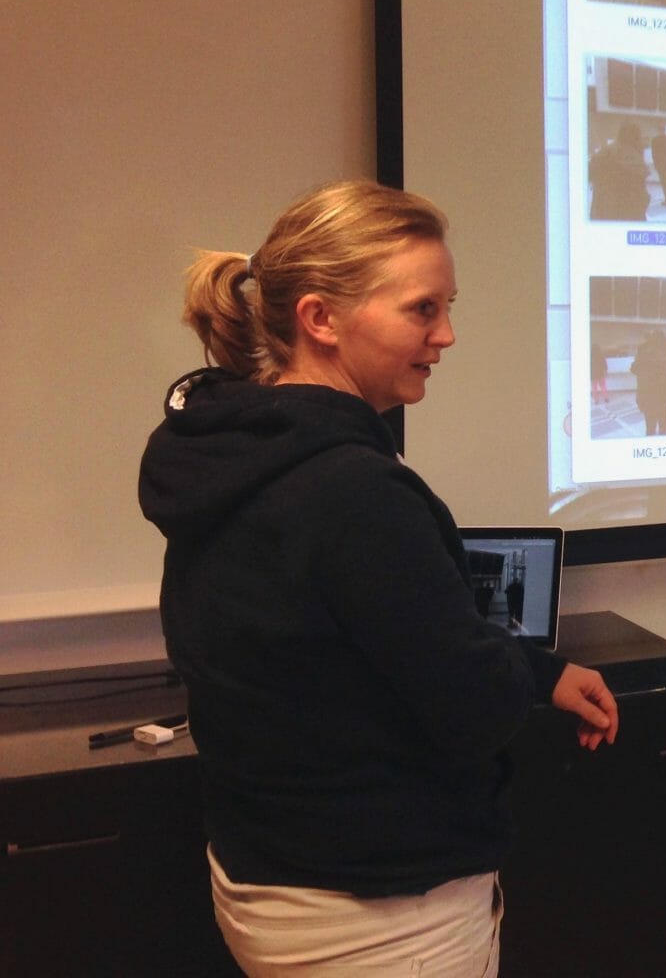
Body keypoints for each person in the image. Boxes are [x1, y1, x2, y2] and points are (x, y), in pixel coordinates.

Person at [137, 180, 619, 976]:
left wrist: (543, 670)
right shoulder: (354, 492)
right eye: (423, 310)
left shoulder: (234, 457)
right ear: (320, 318)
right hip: (383, 921)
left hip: (270, 882)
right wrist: (509, 672)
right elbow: (473, 707)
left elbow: (353, 646)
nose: (448, 335)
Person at [589, 122, 650, 221]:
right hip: (628, 210)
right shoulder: (633, 155)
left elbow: (590, 174)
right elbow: (640, 188)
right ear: (635, 136)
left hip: (602, 208)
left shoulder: (604, 151)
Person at [630, 328, 666, 435]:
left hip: (648, 395)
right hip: (664, 395)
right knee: (664, 429)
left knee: (650, 428)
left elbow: (634, 369)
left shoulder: (643, 350)